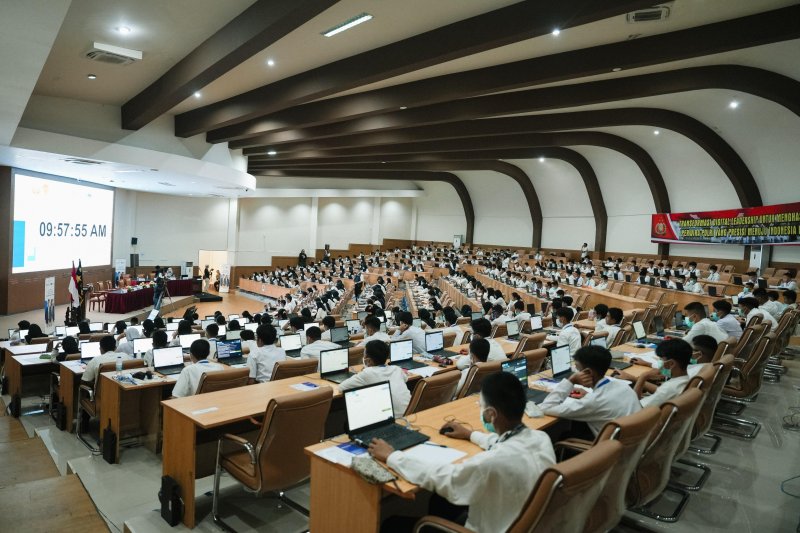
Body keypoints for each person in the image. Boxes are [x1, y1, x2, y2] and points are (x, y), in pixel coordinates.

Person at [369, 372, 556, 533]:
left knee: (391, 525)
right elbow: (502, 443)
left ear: (491, 414)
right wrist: (470, 434)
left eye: (481, 407)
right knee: (439, 501)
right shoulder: (541, 439)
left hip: (491, 527)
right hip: (520, 518)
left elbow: (440, 476)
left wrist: (392, 456)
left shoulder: (490, 463)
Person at [540, 345, 641, 438]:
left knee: (565, 434)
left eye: (577, 369)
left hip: (609, 452)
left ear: (588, 372)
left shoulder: (593, 402)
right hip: (631, 443)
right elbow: (605, 401)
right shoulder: (623, 386)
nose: (575, 372)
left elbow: (546, 407)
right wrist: (588, 395)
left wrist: (570, 381)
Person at [339, 340, 411, 415]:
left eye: (364, 354)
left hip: (392, 418)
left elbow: (341, 387)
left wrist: (364, 371)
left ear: (368, 361)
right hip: (410, 413)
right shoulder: (397, 369)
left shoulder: (367, 373)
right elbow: (405, 379)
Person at [635, 339, 692, 408]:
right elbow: (661, 392)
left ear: (671, 364)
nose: (659, 362)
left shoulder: (669, 388)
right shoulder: (686, 378)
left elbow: (635, 407)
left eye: (661, 359)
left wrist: (642, 377)